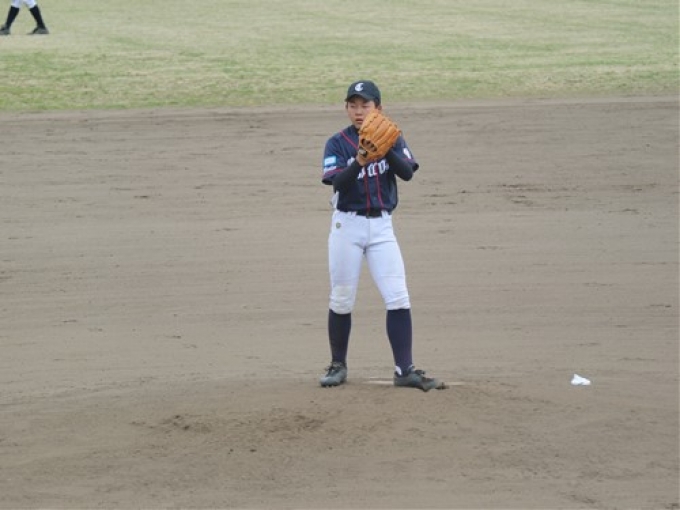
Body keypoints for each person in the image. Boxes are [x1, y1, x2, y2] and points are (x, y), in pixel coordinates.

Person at [319, 80, 444, 391]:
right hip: (347, 227)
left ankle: (405, 370)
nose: (359, 111)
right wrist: (361, 159)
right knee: (342, 298)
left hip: (382, 228)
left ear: (378, 108)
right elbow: (337, 184)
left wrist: (385, 150)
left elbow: (407, 173)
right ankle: (337, 365)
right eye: (353, 105)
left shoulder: (392, 136)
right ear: (346, 108)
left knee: (398, 296)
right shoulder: (337, 143)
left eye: (365, 105)